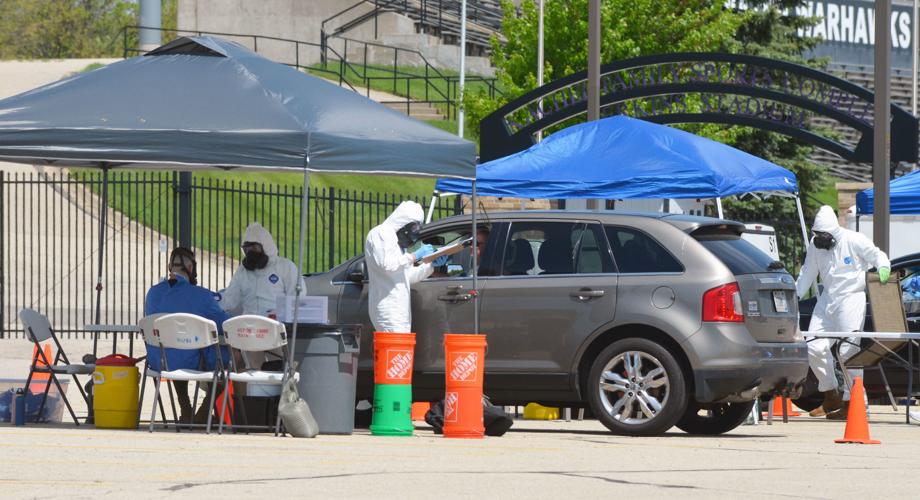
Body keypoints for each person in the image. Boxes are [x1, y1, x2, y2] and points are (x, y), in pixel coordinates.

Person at [795, 205, 891, 419]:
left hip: (851, 299)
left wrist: (883, 267)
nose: (819, 238)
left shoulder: (854, 239)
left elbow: (878, 255)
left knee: (849, 352)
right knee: (813, 346)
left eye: (823, 235)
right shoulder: (815, 244)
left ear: (834, 231)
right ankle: (831, 394)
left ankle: (855, 402)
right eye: (817, 234)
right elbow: (807, 272)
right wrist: (796, 295)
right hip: (827, 300)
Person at [145, 247, 230, 423]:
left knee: (176, 349)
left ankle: (185, 409)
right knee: (232, 358)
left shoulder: (152, 294)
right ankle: (204, 413)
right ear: (191, 268)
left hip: (159, 361)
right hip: (192, 360)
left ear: (170, 266)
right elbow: (224, 326)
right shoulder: (202, 296)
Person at [365, 200, 447, 332]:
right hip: (388, 308)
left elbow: (407, 276)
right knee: (394, 350)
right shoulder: (381, 233)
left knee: (400, 351)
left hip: (399, 310)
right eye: (413, 228)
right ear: (403, 223)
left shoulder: (396, 242)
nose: (414, 233)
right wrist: (414, 256)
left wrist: (430, 265)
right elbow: (387, 265)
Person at [218, 222, 305, 317]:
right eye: (247, 249)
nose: (250, 252)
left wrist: (281, 315)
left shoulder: (285, 266)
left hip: (276, 323)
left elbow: (297, 298)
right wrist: (210, 302)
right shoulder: (243, 271)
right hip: (248, 323)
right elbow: (230, 298)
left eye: (254, 248)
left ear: (266, 246)